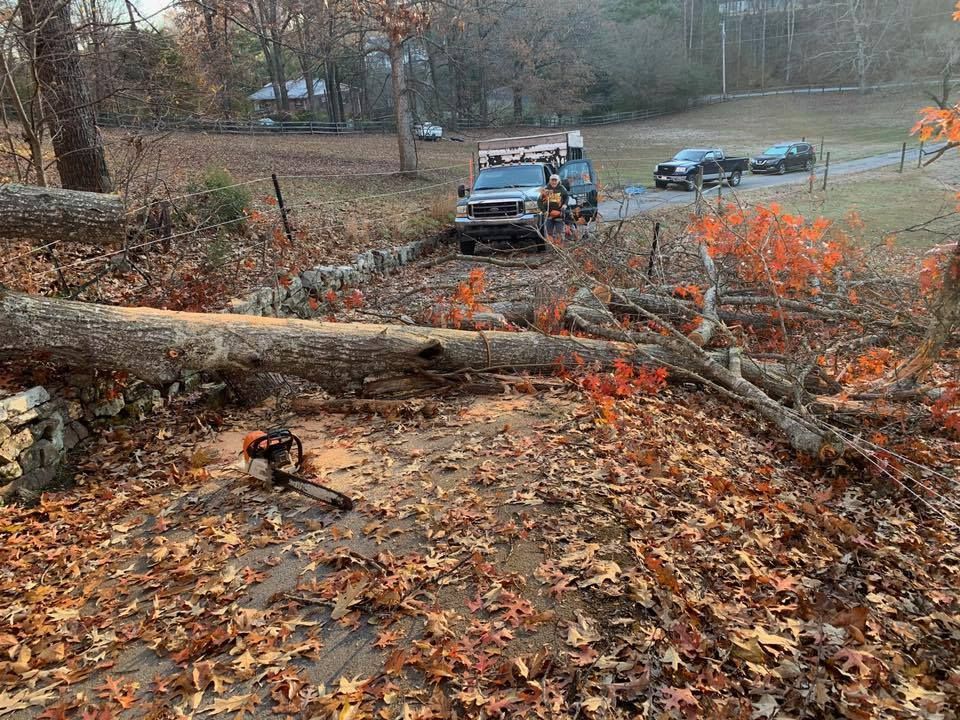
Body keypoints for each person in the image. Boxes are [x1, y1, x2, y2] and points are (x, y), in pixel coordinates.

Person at [538, 174, 569, 245]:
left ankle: (560, 248)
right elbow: (539, 201)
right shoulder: (545, 189)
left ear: (558, 181)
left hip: (559, 215)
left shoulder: (562, 188)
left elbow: (566, 197)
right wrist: (544, 211)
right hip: (548, 215)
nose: (554, 182)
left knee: (559, 233)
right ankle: (553, 248)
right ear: (550, 181)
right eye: (552, 180)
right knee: (549, 233)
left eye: (555, 180)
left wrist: (565, 205)